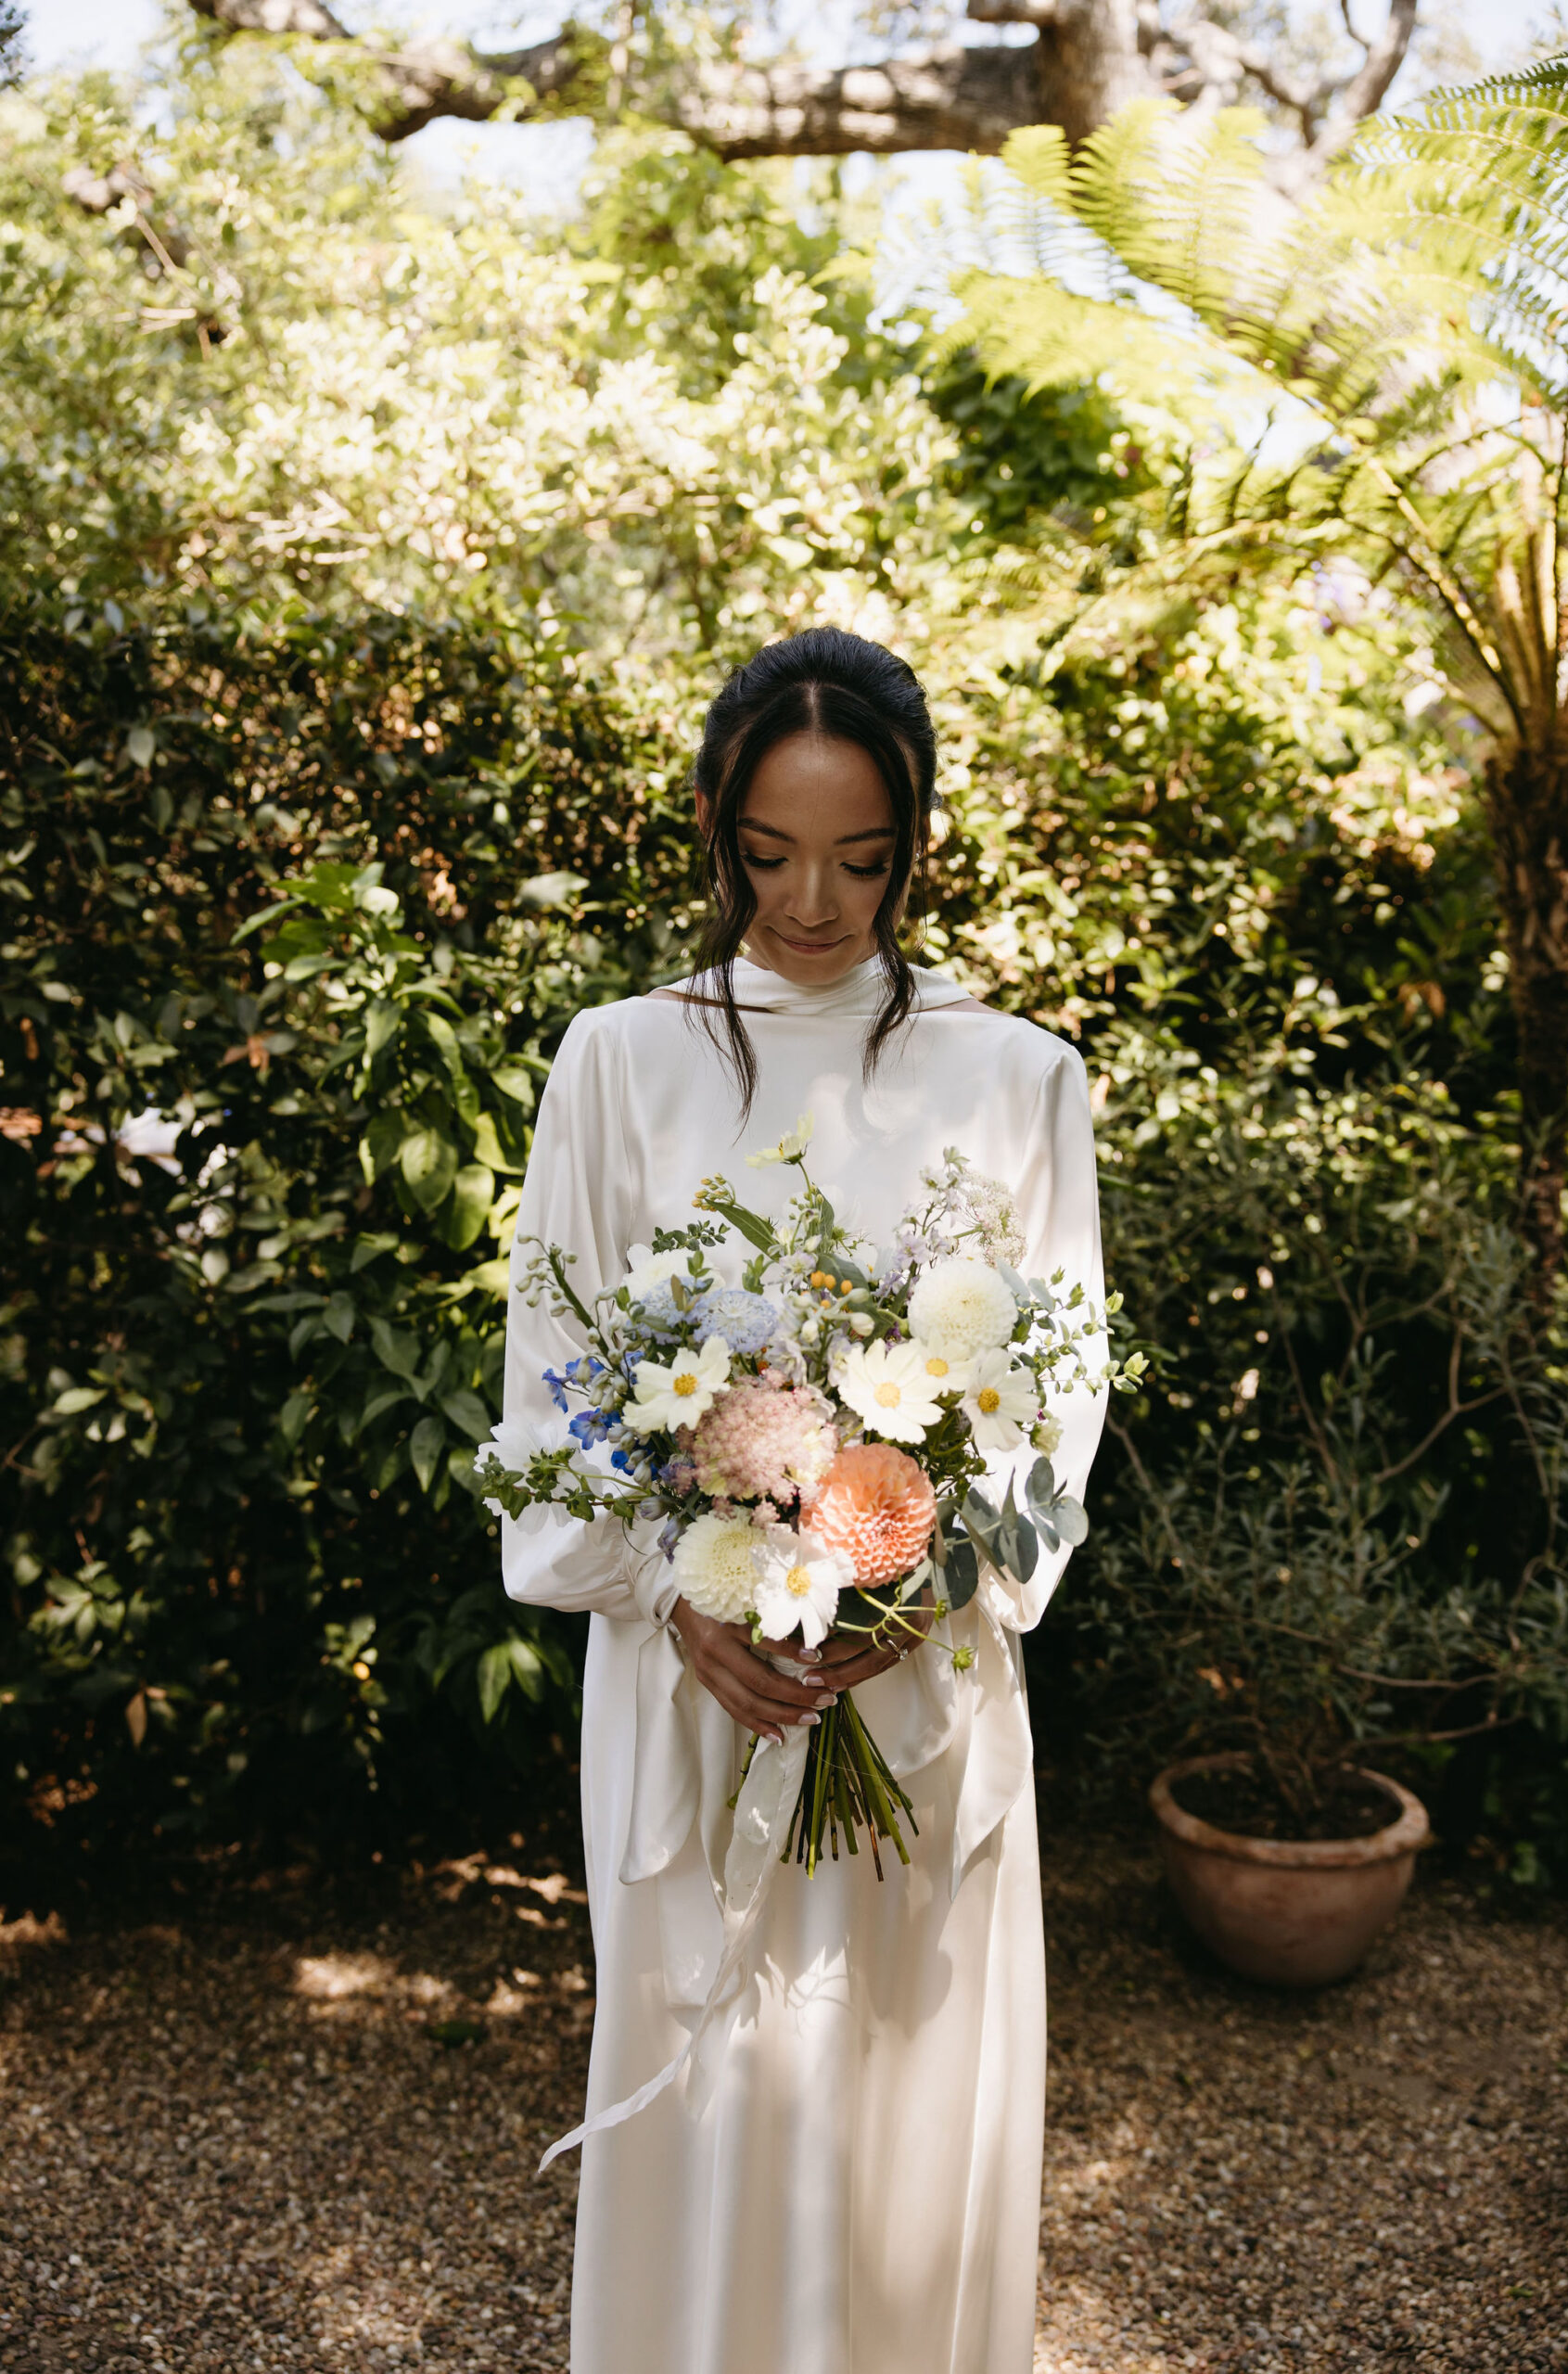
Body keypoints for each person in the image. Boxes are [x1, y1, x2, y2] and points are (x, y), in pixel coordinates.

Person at [499, 627, 1108, 2374]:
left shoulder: (1020, 1079)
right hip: (694, 1691)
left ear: (920, 840)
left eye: (861, 857)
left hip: (911, 1697)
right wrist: (677, 1598)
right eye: (771, 854)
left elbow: (1056, 1411)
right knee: (711, 2108)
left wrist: (912, 1582)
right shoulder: (618, 1060)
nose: (816, 901)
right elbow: (561, 1370)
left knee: (904, 2133)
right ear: (713, 823)